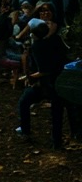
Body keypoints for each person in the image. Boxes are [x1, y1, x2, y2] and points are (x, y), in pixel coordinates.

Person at [16, 8, 81, 148]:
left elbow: (45, 71)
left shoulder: (38, 47)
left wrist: (29, 76)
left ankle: (25, 131)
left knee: (24, 102)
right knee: (60, 110)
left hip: (49, 84)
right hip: (63, 81)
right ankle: (61, 140)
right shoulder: (56, 40)